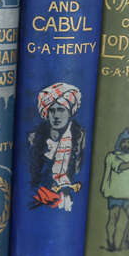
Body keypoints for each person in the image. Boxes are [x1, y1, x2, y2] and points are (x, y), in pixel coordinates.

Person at [28, 82, 84, 211]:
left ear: (70, 112)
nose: (56, 116)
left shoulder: (80, 138)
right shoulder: (33, 139)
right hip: (42, 198)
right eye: (52, 111)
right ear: (46, 114)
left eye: (61, 110)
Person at [102, 129, 129, 251]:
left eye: (128, 142)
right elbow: (120, 166)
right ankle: (110, 242)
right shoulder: (112, 156)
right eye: (124, 142)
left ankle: (128, 240)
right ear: (119, 142)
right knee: (113, 219)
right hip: (115, 194)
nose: (126, 144)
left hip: (128, 194)